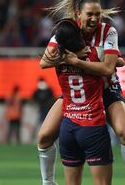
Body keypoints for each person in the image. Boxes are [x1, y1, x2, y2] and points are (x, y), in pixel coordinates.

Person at [38, 0, 125, 185]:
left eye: (98, 14)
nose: (94, 19)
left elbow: (108, 68)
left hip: (106, 87)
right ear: (79, 14)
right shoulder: (66, 30)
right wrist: (72, 57)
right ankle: (48, 182)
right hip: (79, 91)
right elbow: (44, 62)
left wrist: (76, 60)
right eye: (90, 14)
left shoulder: (108, 31)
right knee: (44, 136)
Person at [43, 18, 113, 185]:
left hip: (67, 127)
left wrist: (67, 57)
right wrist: (80, 60)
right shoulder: (95, 54)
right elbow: (117, 63)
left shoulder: (57, 59)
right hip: (92, 125)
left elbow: (44, 61)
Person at [32, 77, 55, 142]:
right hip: (43, 111)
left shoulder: (40, 91)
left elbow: (34, 100)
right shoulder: (48, 90)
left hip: (45, 110)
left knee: (40, 125)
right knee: (40, 125)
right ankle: (38, 139)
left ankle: (38, 139)